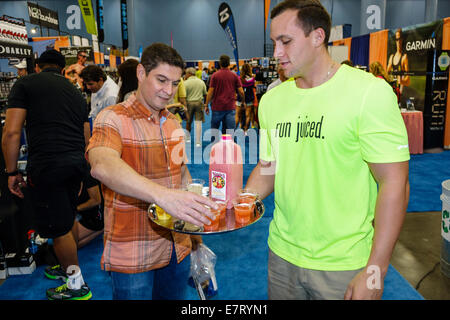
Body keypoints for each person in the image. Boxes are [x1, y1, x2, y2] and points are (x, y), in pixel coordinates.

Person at [245, 0, 410, 300]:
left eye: (286, 41)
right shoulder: (272, 101)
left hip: (345, 264)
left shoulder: (368, 94)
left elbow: (394, 182)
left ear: (318, 37)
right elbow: (269, 166)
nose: (277, 53)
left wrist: (376, 269)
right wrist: (241, 201)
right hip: (282, 256)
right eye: (274, 43)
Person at [86, 42, 218, 300]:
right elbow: (101, 164)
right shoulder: (112, 118)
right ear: (140, 73)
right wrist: (162, 196)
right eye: (161, 80)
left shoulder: (172, 122)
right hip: (133, 250)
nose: (168, 91)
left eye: (174, 83)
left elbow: (181, 174)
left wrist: (194, 229)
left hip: (176, 246)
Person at [2, 49, 92, 300]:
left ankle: (77, 286)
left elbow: (11, 132)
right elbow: (86, 135)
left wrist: (11, 172)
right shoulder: (75, 91)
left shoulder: (26, 83)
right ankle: (69, 271)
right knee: (67, 218)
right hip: (76, 163)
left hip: (48, 165)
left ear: (39, 66)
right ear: (64, 69)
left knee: (59, 228)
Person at [204, 54, 245, 135]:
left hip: (217, 107)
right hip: (230, 107)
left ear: (220, 63)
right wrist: (243, 101)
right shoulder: (234, 75)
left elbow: (210, 92)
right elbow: (241, 91)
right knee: (229, 131)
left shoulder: (215, 76)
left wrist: (206, 104)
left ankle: (214, 145)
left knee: (214, 131)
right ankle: (228, 145)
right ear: (229, 63)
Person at [74, 165, 104, 249]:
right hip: (81, 213)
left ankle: (103, 226)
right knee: (71, 244)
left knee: (71, 243)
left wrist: (75, 209)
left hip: (95, 215)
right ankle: (103, 228)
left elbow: (96, 200)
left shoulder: (87, 173)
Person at [184, 67, 207, 147]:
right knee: (198, 123)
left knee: (188, 121)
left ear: (189, 74)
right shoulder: (201, 82)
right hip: (199, 103)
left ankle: (187, 138)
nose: (186, 75)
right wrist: (205, 104)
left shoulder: (185, 83)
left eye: (186, 73)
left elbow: (183, 95)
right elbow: (205, 93)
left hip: (189, 103)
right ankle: (198, 142)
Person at [387, 28, 410, 96]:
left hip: (400, 92)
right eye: (397, 39)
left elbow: (408, 80)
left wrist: (402, 81)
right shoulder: (392, 57)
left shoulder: (404, 57)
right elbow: (386, 73)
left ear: (402, 40)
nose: (398, 41)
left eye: (400, 39)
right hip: (392, 90)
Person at [237, 63, 256, 132]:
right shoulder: (252, 79)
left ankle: (234, 130)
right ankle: (245, 130)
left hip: (240, 98)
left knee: (238, 115)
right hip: (249, 98)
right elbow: (253, 86)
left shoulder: (239, 79)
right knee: (248, 115)